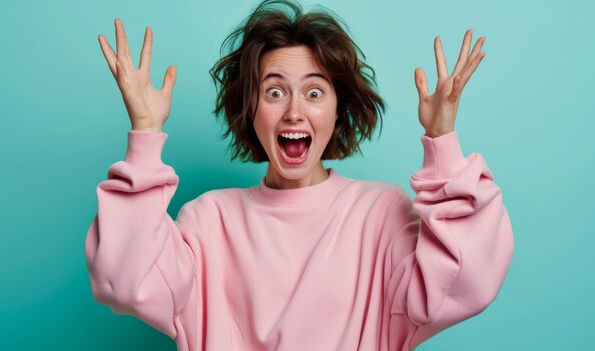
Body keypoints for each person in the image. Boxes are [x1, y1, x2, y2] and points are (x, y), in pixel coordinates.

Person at [85, 0, 514, 350]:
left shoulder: (380, 213)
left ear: (337, 110)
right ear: (249, 108)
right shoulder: (207, 221)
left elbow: (466, 282)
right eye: (274, 92)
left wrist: (442, 141)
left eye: (313, 92)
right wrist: (144, 132)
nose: (294, 111)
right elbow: (126, 281)